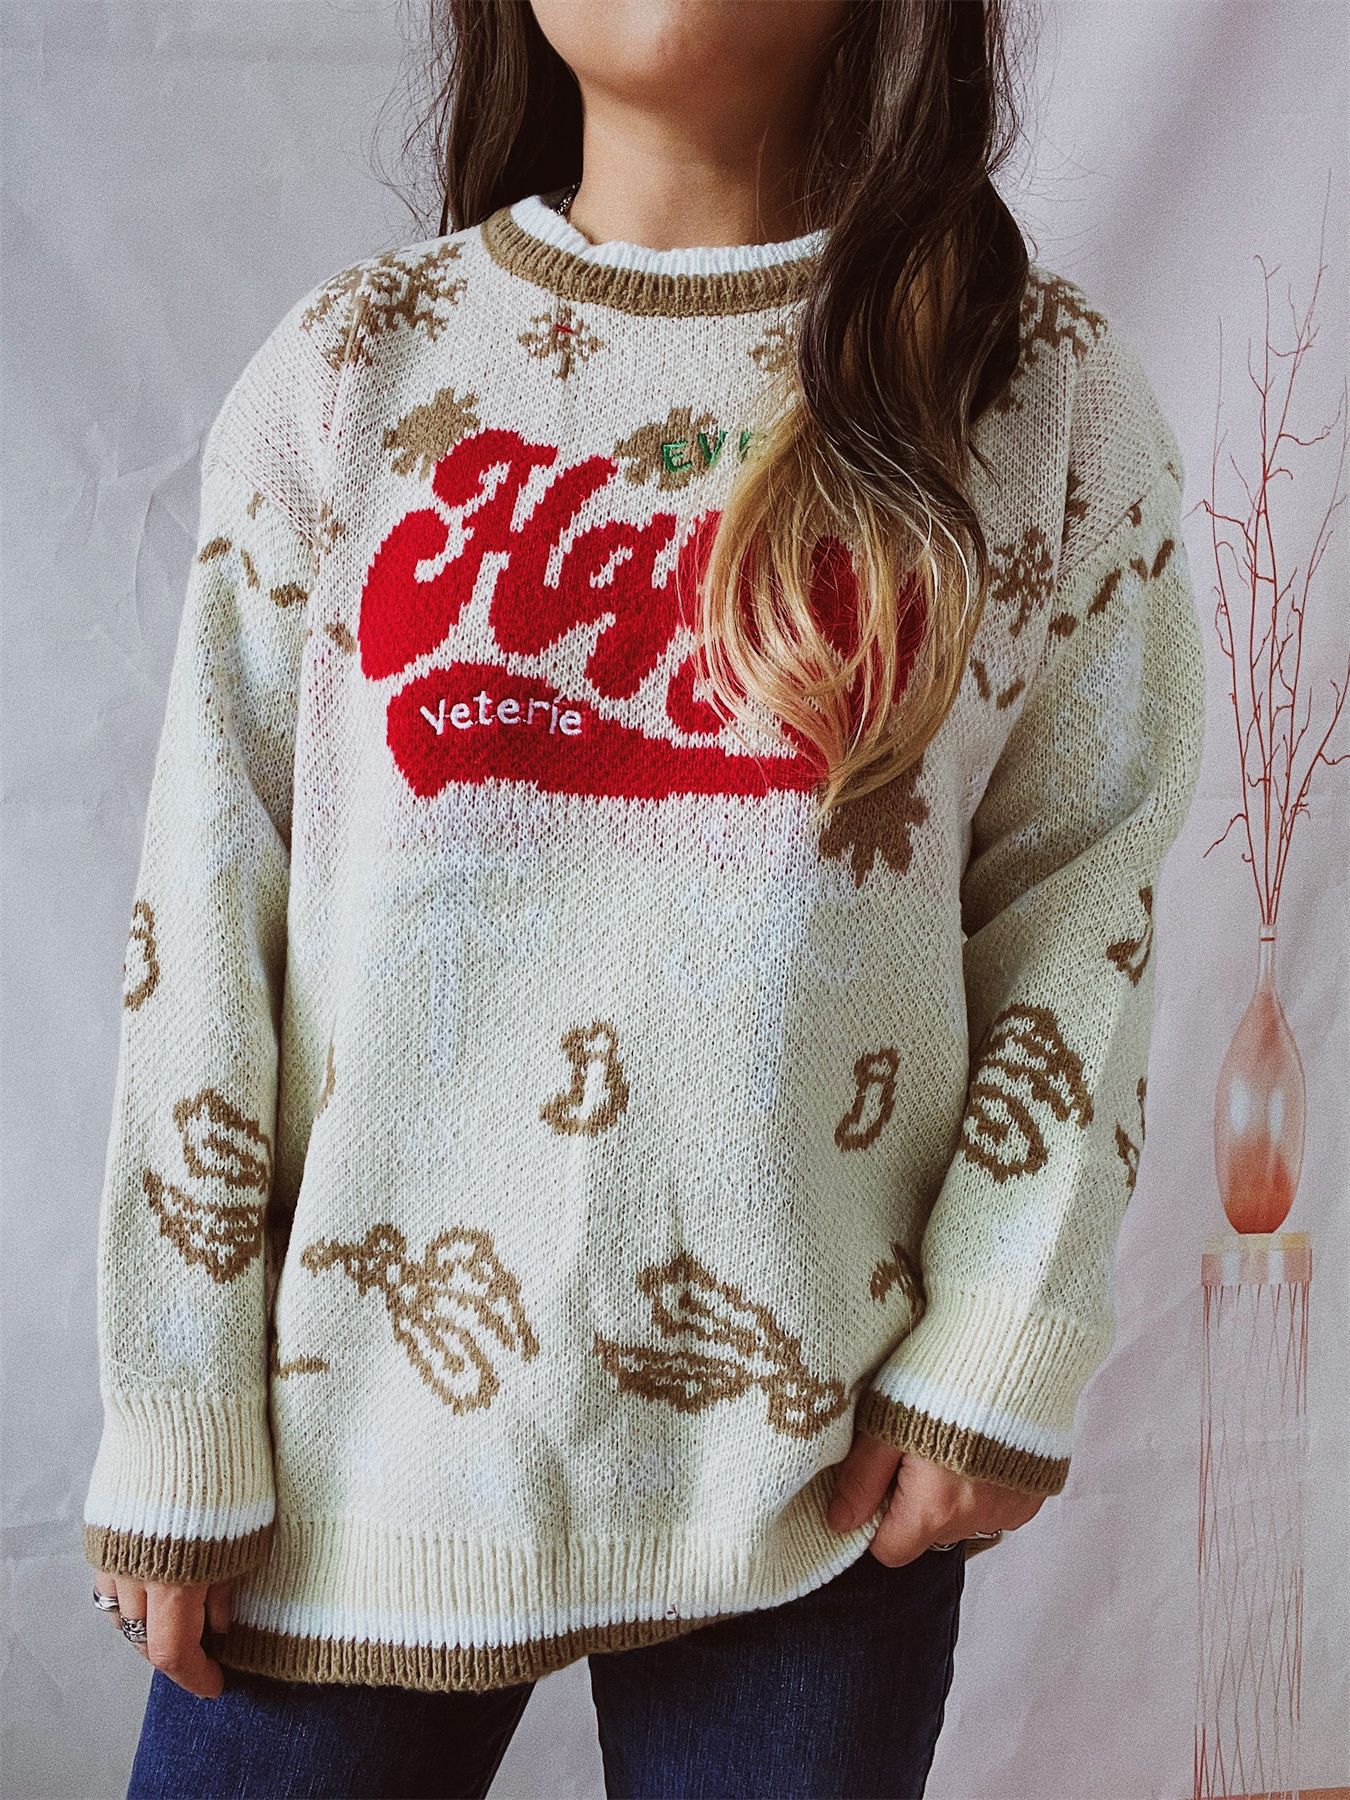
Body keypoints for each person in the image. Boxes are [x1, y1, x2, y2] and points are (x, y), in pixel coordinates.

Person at [81, 1, 1207, 1795]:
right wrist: (176, 1400)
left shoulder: (1028, 387)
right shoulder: (354, 367)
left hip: (817, 1457)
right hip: (354, 1443)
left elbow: (1081, 903)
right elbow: (208, 914)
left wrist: (1002, 1341)